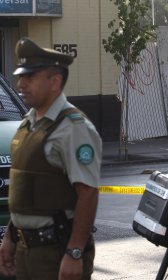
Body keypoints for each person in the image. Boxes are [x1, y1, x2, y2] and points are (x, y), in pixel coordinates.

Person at [0, 37, 102, 280]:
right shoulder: (28, 122)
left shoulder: (73, 128)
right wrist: (10, 237)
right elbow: (26, 190)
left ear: (55, 82)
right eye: (20, 76)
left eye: (30, 77)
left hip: (55, 253)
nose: (20, 83)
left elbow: (87, 194)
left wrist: (75, 252)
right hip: (26, 251)